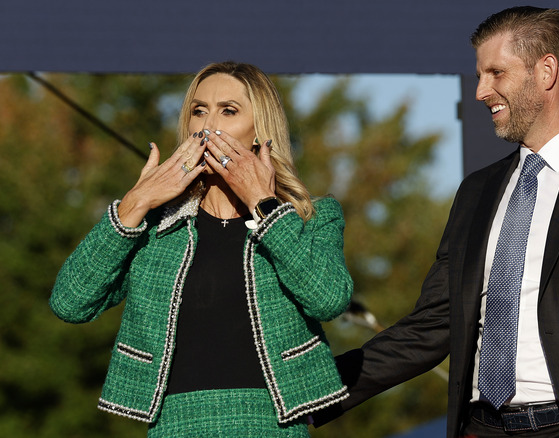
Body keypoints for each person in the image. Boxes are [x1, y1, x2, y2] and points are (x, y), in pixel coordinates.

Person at [316, 6, 559, 438]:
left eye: (496, 73)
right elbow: (429, 328)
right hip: (481, 428)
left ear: (546, 72)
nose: (481, 91)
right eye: (478, 76)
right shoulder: (477, 191)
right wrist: (308, 393)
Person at [50, 61, 353, 437]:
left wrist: (265, 204)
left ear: (260, 132)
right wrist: (135, 203)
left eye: (229, 110)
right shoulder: (158, 225)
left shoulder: (311, 217)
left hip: (271, 424)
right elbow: (70, 302)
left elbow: (328, 298)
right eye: (198, 111)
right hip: (175, 424)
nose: (208, 124)